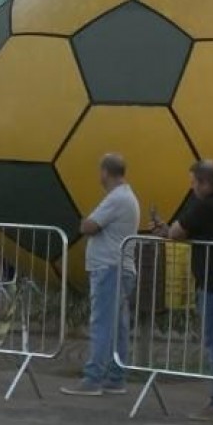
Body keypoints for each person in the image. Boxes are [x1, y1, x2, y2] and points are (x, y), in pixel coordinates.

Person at [151, 160, 213, 423]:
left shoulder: (205, 206)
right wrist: (169, 232)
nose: (192, 188)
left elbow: (177, 231)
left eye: (193, 182)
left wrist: (168, 231)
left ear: (204, 183)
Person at [62, 154, 139, 396]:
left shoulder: (116, 198)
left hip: (109, 268)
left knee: (102, 323)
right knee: (118, 326)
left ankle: (93, 378)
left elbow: (89, 226)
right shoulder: (126, 196)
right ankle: (116, 377)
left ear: (105, 172)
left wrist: (85, 221)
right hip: (119, 267)